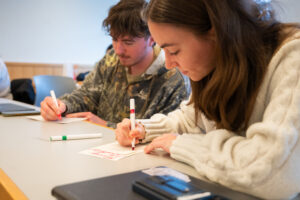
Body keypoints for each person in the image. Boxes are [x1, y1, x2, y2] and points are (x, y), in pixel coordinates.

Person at [115, 0, 300, 199]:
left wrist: (183, 146)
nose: (168, 64)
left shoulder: (292, 56)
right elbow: (191, 120)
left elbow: (271, 172)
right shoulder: (215, 61)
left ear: (215, 31)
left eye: (174, 51)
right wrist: (144, 129)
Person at [40, 0, 188, 128]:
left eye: (128, 42)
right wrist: (63, 106)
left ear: (152, 38)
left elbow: (165, 132)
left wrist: (106, 126)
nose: (118, 50)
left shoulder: (173, 78)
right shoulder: (111, 60)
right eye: (114, 39)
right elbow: (86, 95)